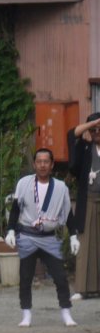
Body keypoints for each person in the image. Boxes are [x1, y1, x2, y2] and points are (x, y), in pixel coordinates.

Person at [4, 148, 77, 327]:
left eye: (46, 162)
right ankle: (26, 314)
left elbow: (67, 214)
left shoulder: (60, 187)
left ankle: (66, 312)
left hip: (49, 238)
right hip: (28, 236)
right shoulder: (24, 183)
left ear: (52, 165)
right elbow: (15, 209)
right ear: (34, 164)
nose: (42, 165)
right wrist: (11, 231)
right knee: (25, 277)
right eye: (39, 161)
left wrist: (74, 236)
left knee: (60, 277)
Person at [67, 111, 100, 299]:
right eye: (93, 129)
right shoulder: (85, 148)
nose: (96, 132)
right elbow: (72, 134)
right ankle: (82, 289)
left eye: (99, 129)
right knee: (85, 245)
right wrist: (91, 124)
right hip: (87, 201)